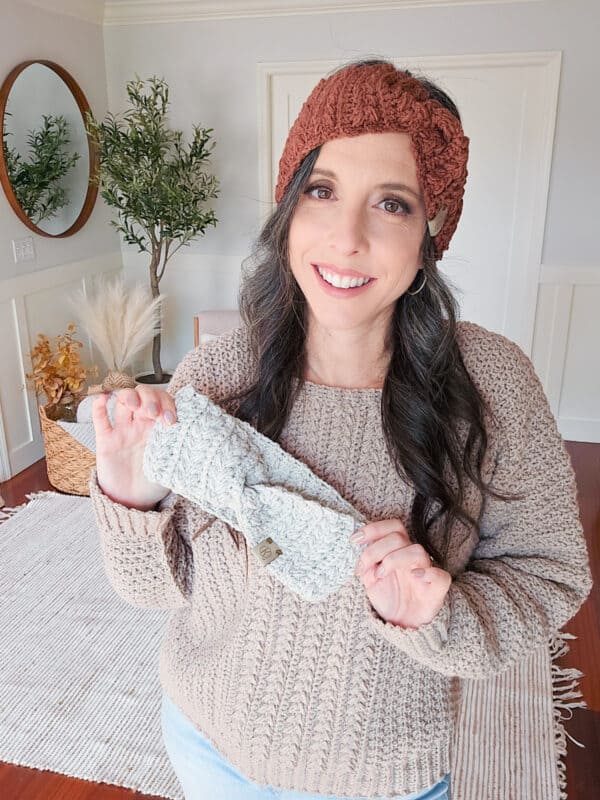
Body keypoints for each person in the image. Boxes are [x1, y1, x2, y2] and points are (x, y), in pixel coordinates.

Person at [89, 59, 592, 800]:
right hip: (208, 746)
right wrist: (132, 499)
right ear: (290, 208)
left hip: (390, 779)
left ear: (432, 231)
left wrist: (439, 613)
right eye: (322, 191)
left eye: (392, 203)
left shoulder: (493, 383)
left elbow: (551, 574)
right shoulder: (217, 373)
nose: (346, 237)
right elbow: (156, 594)